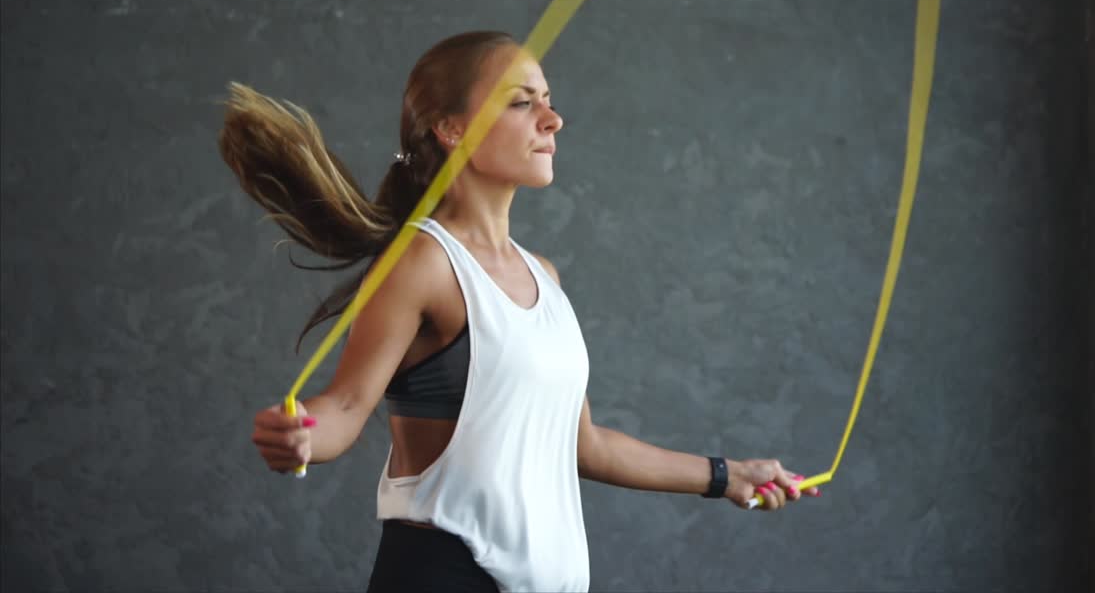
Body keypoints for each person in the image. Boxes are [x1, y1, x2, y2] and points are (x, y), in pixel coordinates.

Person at [222, 31, 820, 593]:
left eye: (549, 101)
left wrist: (727, 475)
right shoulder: (424, 263)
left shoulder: (544, 277)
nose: (552, 119)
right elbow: (347, 406)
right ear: (453, 129)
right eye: (521, 102)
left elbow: (585, 445)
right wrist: (300, 438)